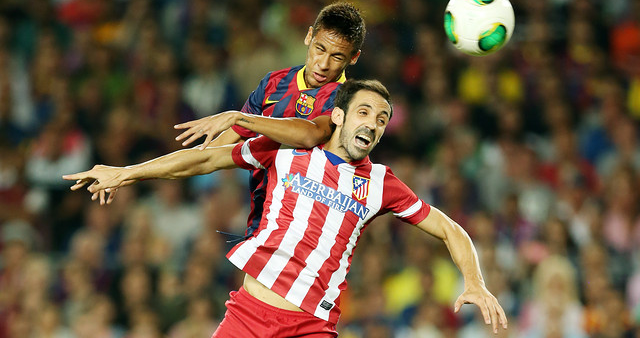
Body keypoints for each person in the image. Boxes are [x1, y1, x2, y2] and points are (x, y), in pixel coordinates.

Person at [64, 79, 508, 337]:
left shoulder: (380, 184)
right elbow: (204, 158)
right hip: (249, 316)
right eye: (365, 112)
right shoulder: (286, 150)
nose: (372, 124)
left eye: (382, 119)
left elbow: (452, 229)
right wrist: (126, 172)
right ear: (337, 115)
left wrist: (476, 281)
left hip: (311, 328)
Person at [96, 1, 365, 242]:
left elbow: (309, 135)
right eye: (320, 49)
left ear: (353, 58)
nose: (323, 64)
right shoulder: (274, 83)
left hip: (310, 235)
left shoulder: (349, 101)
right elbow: (209, 155)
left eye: (337, 57)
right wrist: (127, 173)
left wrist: (241, 117)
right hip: (264, 226)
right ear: (309, 36)